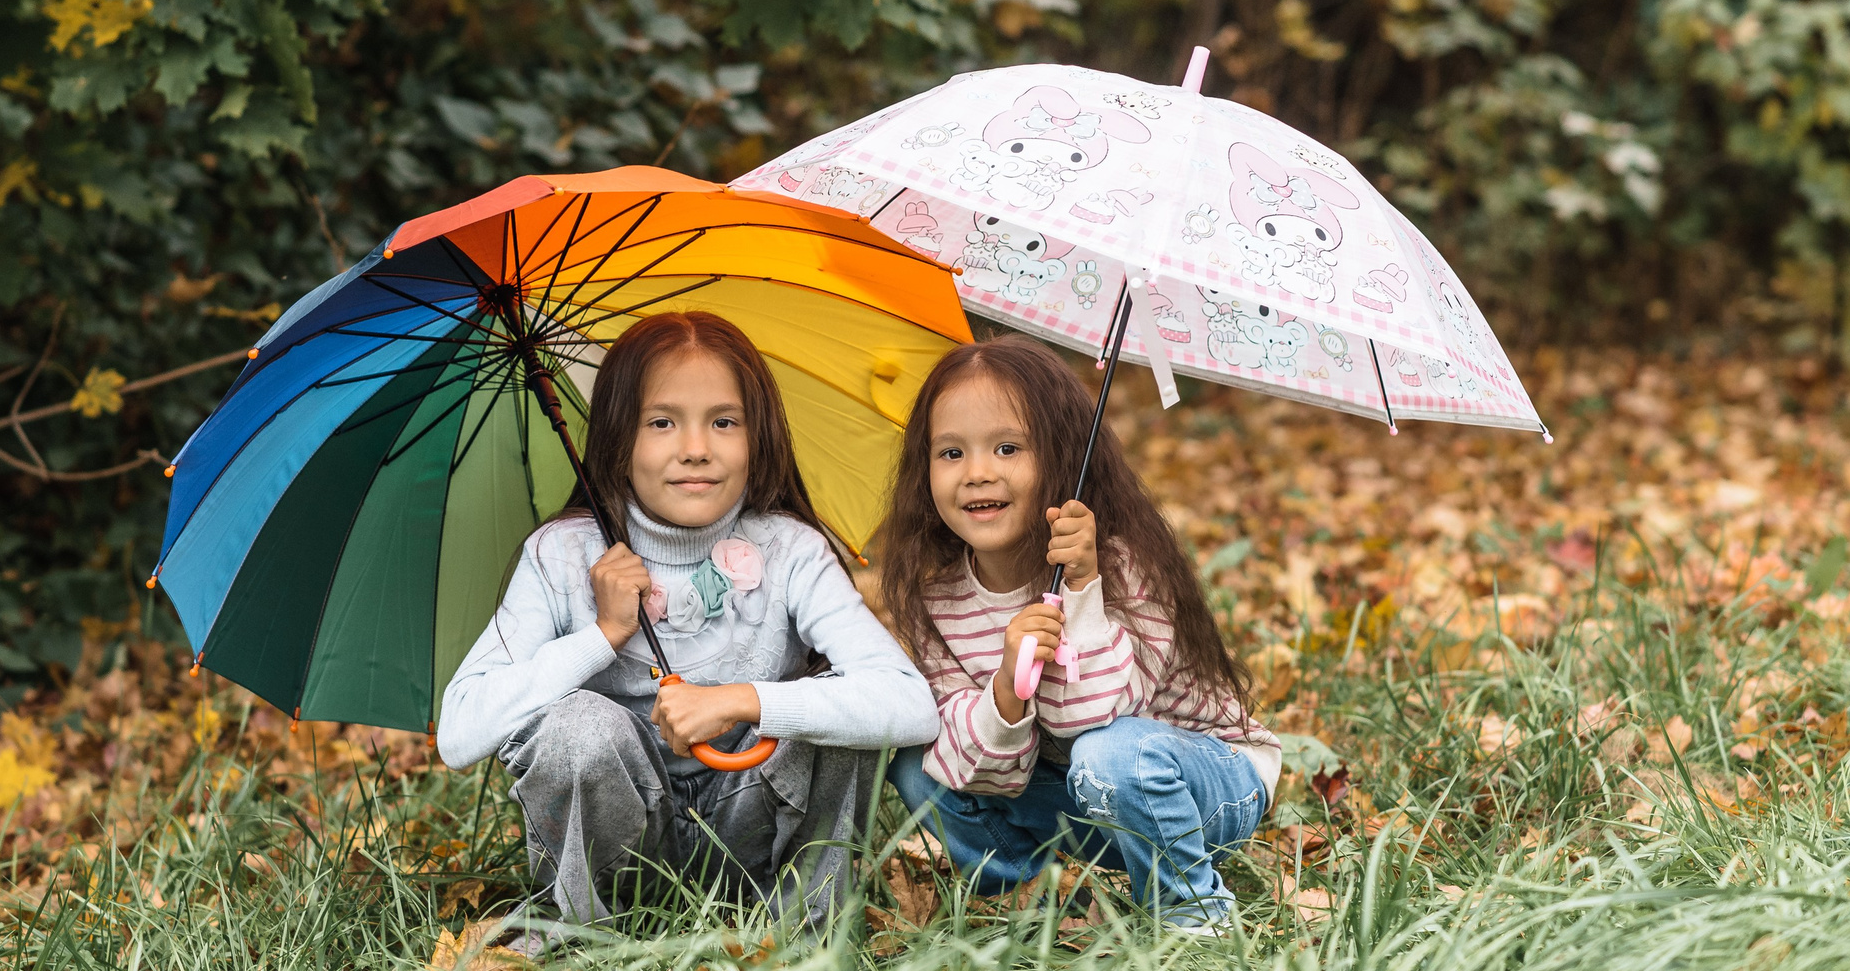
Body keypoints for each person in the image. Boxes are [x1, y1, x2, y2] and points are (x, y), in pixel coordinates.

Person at [438, 311, 939, 934]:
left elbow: (909, 702)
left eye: (723, 422)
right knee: (576, 725)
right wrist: (602, 636)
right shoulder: (562, 555)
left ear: (759, 438)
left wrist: (743, 700)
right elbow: (459, 731)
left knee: (837, 704)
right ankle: (589, 936)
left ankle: (806, 933)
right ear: (619, 439)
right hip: (621, 855)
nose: (696, 448)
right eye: (662, 422)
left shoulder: (789, 551)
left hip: (758, 837)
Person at [878, 334, 1279, 932]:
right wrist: (1007, 690)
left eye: (1008, 447)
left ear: (1062, 458)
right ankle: (1029, 901)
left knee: (1107, 754)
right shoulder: (938, 598)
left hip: (1201, 784)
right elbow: (983, 768)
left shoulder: (1121, 567)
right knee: (919, 757)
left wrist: (1082, 590)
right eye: (951, 453)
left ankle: (1192, 909)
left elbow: (1097, 722)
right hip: (1072, 786)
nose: (978, 473)